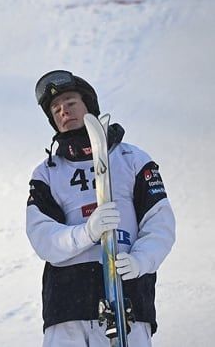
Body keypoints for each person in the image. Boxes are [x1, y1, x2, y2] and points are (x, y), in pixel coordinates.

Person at [26, 70, 176, 346]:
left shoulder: (133, 158)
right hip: (67, 308)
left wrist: (141, 261)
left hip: (130, 299)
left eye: (70, 103)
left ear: (90, 106)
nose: (63, 112)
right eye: (56, 109)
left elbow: (160, 224)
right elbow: (42, 238)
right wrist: (87, 232)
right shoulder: (46, 173)